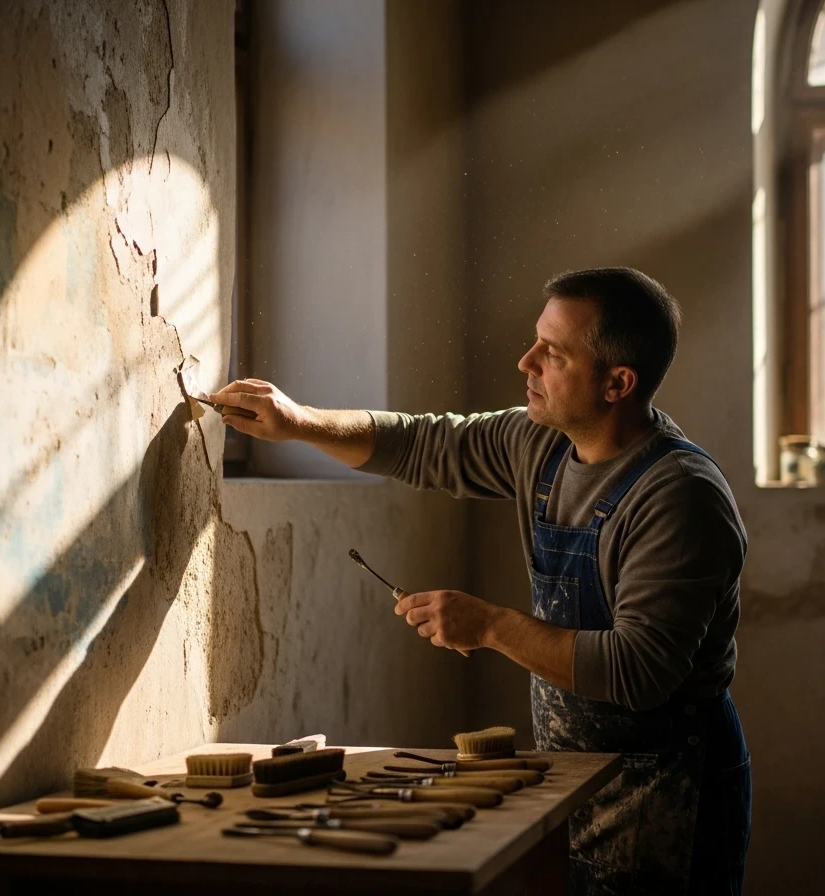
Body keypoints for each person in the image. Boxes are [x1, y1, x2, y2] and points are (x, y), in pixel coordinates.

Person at [210, 267, 751, 895]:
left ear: (617, 383)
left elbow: (638, 672)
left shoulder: (679, 498)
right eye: (536, 341)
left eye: (553, 354)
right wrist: (298, 422)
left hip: (672, 789)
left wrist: (491, 626)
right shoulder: (541, 443)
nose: (526, 362)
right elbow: (422, 444)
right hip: (581, 775)